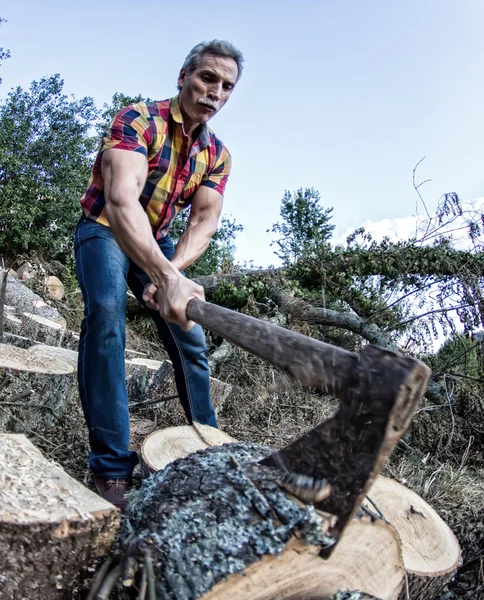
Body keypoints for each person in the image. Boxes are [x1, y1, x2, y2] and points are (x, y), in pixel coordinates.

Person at [74, 40, 243, 510]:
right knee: (107, 314)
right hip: (104, 228)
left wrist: (171, 274)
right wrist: (162, 274)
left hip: (160, 241)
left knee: (190, 334)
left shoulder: (218, 155)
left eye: (226, 86)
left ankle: (210, 453)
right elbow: (121, 200)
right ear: (184, 76)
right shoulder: (138, 119)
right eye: (207, 78)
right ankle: (110, 470)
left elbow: (204, 222)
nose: (215, 92)